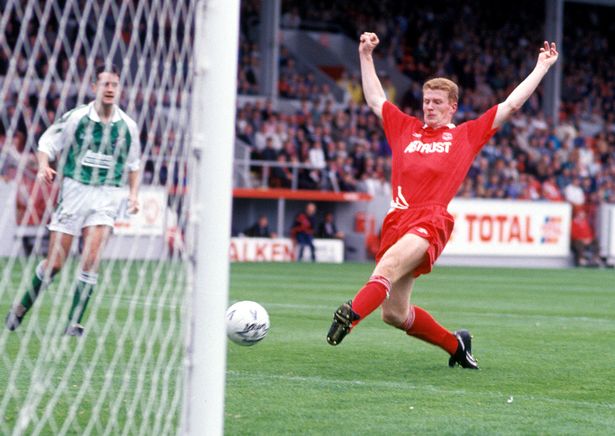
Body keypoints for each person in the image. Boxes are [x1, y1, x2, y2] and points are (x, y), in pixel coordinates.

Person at [326, 32, 559, 370]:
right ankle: (456, 345)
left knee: (386, 268)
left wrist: (541, 67)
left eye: (437, 102)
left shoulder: (465, 136)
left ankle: (350, 316)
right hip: (397, 221)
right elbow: (375, 99)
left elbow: (510, 105)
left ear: (452, 107)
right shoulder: (405, 129)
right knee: (394, 314)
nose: (430, 107)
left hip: (429, 221)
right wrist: (365, 55)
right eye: (426, 101)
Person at [5, 64, 141, 336]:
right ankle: (21, 308)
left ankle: (74, 323)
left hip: (107, 195)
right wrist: (43, 166)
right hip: (74, 191)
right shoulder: (77, 118)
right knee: (55, 264)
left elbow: (133, 164)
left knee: (91, 259)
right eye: (105, 84)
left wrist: (134, 195)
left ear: (120, 89)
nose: (110, 89)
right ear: (94, 87)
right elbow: (46, 143)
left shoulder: (128, 126)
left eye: (114, 84)